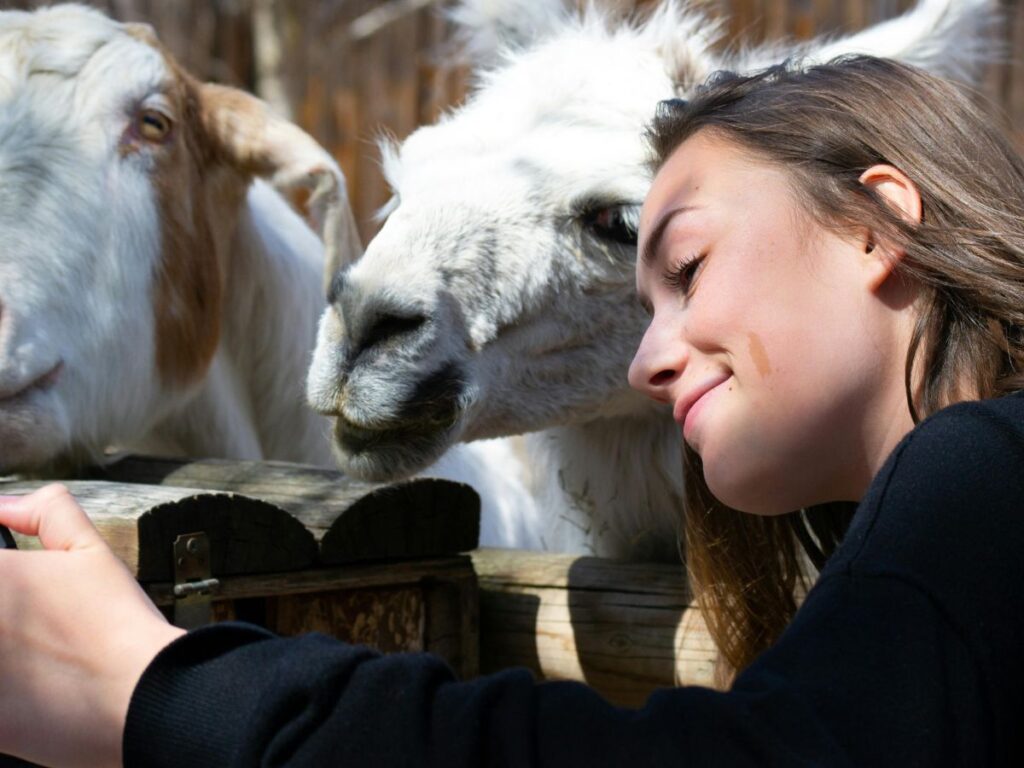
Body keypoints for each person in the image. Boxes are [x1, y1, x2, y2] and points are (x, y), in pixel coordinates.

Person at [3, 54, 1024, 767]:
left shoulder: (980, 473)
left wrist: (165, 692)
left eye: (687, 263)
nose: (648, 361)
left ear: (878, 220)